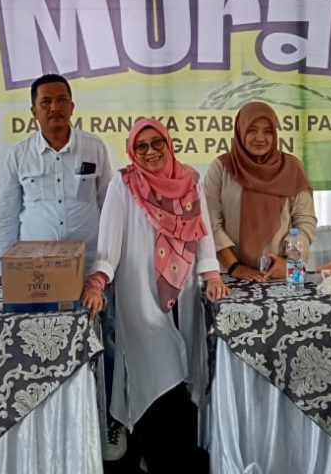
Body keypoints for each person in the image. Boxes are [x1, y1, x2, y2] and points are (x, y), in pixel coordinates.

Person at [81, 118, 229, 474]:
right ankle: (155, 457)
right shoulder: (123, 184)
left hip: (185, 297)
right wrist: (98, 281)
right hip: (142, 301)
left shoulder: (189, 180)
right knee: (156, 377)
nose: (150, 152)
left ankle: (171, 461)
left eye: (156, 143)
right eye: (142, 146)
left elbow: (202, 233)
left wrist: (211, 274)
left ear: (168, 143)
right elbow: (109, 241)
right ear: (133, 150)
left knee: (183, 380)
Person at [0, 73, 123, 458]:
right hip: (37, 274)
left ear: (72, 106)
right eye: (45, 102)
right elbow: (7, 215)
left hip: (90, 269)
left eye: (61, 100)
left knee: (104, 341)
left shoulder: (93, 147)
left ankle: (109, 420)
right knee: (43, 346)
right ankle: (52, 426)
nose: (54, 108)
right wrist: (2, 271)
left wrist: (110, 262)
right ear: (33, 111)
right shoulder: (18, 156)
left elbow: (109, 206)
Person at [203, 101, 316, 281]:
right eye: (252, 130)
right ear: (240, 131)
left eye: (268, 131)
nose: (260, 138)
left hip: (279, 274)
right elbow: (210, 223)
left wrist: (288, 263)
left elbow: (305, 221)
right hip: (230, 277)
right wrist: (235, 267)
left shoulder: (291, 168)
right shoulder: (221, 168)